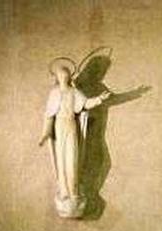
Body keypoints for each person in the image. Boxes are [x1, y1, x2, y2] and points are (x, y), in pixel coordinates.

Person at [39, 59, 111, 218]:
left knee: (72, 159)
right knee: (62, 160)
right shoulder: (54, 93)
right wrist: (45, 133)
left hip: (71, 126)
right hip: (59, 128)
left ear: (69, 76)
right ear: (57, 77)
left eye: (66, 75)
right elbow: (48, 115)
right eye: (61, 75)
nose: (64, 78)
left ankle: (73, 192)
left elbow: (85, 103)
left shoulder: (74, 92)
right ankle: (64, 192)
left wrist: (100, 99)